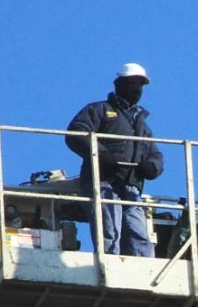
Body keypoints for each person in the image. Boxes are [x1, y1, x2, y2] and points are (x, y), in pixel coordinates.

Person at [66, 63, 164, 257]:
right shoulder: (100, 110)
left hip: (131, 187)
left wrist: (151, 167)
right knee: (109, 230)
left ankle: (144, 270)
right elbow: (76, 132)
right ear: (119, 84)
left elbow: (156, 155)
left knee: (139, 233)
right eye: (133, 83)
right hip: (104, 182)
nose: (137, 89)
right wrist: (101, 154)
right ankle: (109, 264)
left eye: (141, 85)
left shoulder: (142, 125)